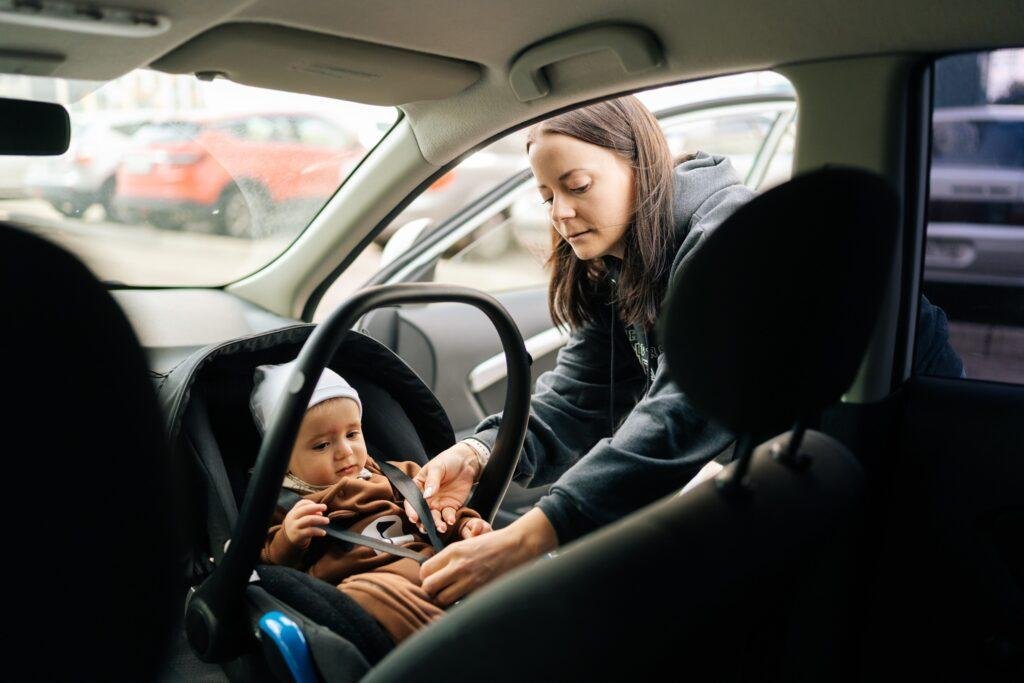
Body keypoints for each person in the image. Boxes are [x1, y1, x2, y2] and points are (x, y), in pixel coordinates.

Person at [407, 96, 964, 607]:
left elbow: (686, 408)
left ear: (641, 165)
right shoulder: (616, 257)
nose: (560, 213)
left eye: (577, 186)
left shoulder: (726, 237)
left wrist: (534, 535)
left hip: (879, 462)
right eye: (547, 195)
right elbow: (576, 401)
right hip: (780, 471)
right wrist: (480, 453)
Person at [251, 362, 492, 644]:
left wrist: (465, 524)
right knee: (366, 595)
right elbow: (266, 565)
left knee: (495, 559)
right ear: (281, 458)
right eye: (321, 445)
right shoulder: (284, 505)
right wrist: (290, 538)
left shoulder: (398, 476)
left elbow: (438, 512)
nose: (345, 451)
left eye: (352, 434)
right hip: (362, 593)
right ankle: (453, 644)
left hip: (429, 568)